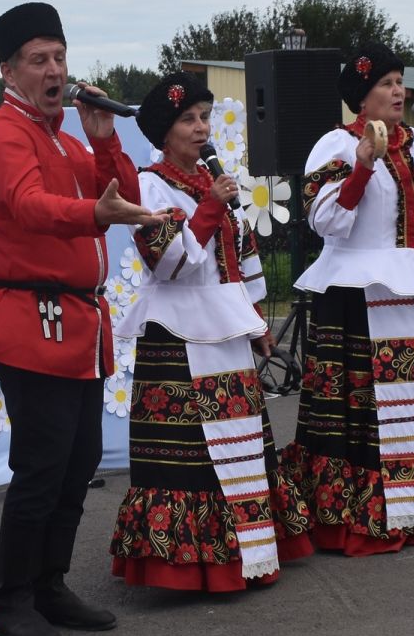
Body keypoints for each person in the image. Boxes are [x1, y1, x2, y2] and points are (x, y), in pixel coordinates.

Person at [0, 2, 165, 636]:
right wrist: (93, 216)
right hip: (30, 315)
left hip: (78, 318)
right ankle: (13, 597)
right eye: (39, 60)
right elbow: (28, 206)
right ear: (8, 70)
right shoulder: (1, 134)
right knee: (43, 463)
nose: (54, 70)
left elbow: (121, 193)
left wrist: (104, 137)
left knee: (77, 463)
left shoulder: (66, 137)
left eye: (60, 57)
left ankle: (49, 583)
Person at [109, 72, 313, 592]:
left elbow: (242, 255)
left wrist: (258, 317)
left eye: (204, 117)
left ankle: (247, 547)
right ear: (163, 131)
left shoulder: (212, 182)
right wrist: (209, 207)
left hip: (226, 328)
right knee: (192, 450)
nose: (201, 129)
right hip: (177, 332)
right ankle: (190, 563)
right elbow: (166, 263)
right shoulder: (148, 186)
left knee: (239, 439)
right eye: (188, 120)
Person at [279, 42, 414, 555]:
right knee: (366, 407)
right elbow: (325, 220)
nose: (400, 92)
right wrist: (363, 166)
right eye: (387, 85)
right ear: (362, 99)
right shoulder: (335, 145)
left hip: (413, 288)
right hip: (359, 293)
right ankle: (362, 514)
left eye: (400, 81)